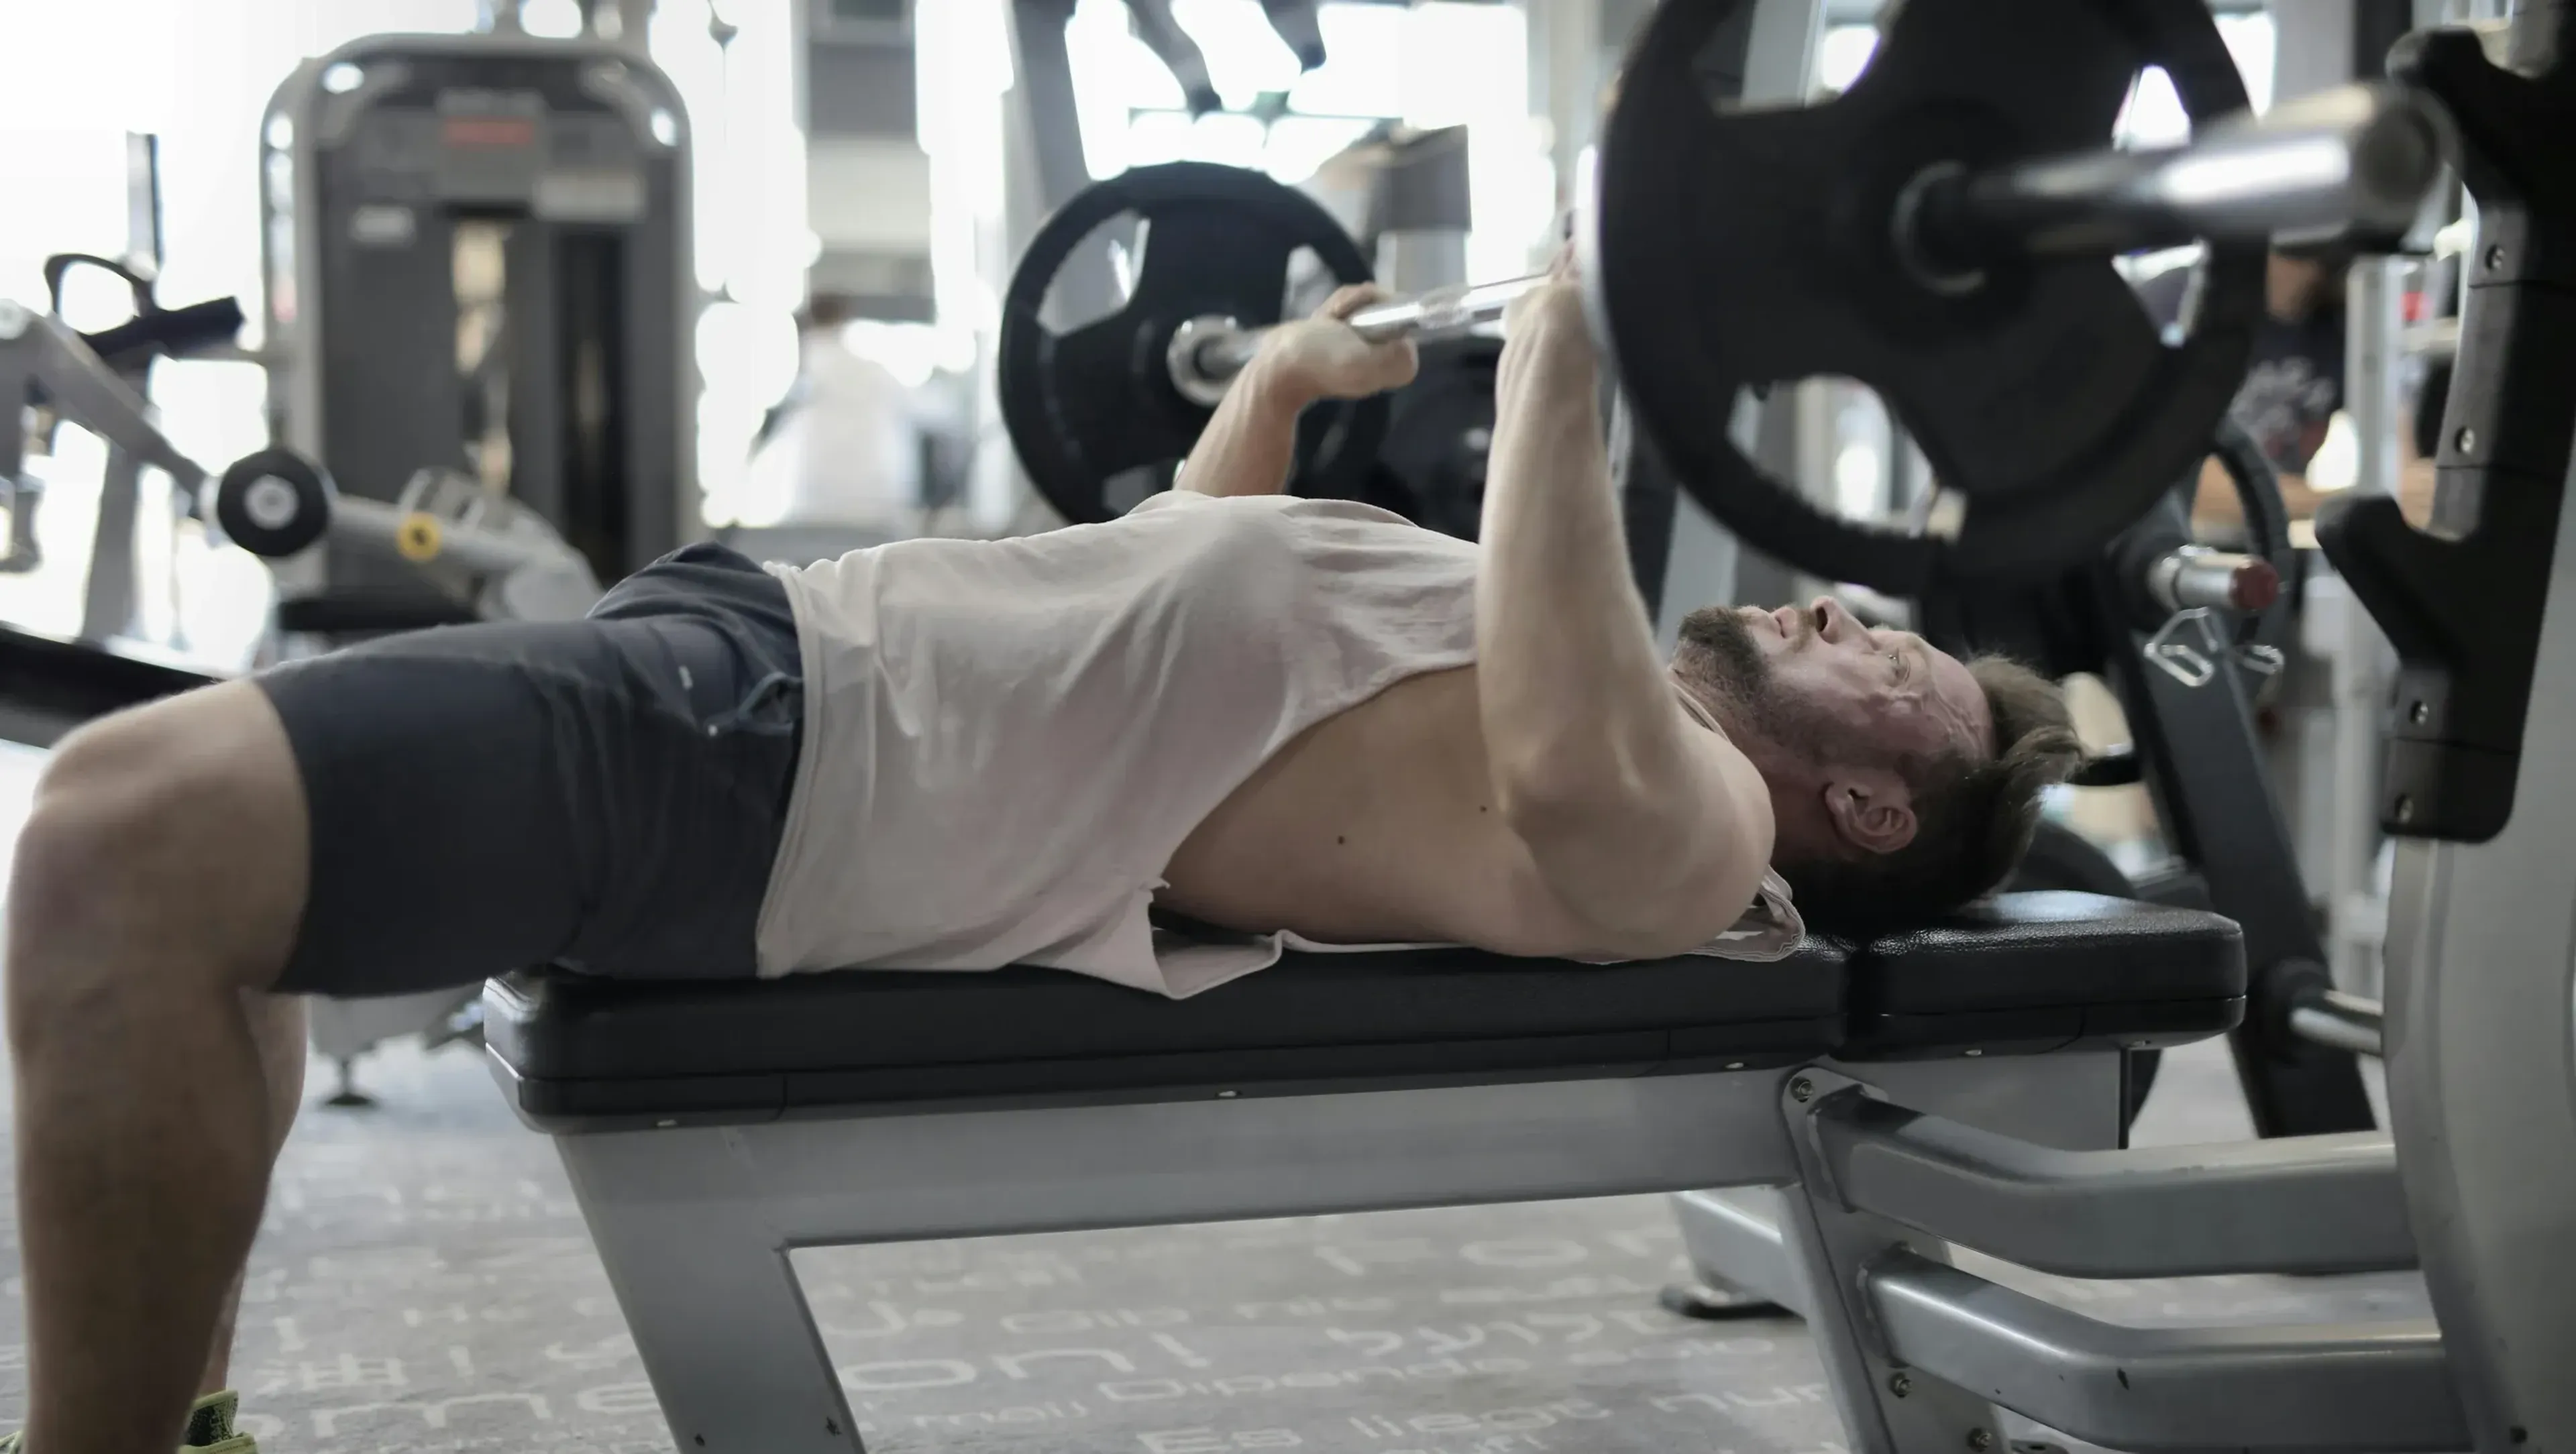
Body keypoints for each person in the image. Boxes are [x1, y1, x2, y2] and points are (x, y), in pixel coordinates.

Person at [2, 260, 2079, 1454]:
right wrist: (1277, 381)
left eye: (1895, 668)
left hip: (796, 776)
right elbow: (1182, 575)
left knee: (117, 843)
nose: (1840, 617)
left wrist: (1565, 364)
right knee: (222, 892)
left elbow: (1558, 767)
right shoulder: (1584, 656)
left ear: (1873, 814)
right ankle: (179, 1423)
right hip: (772, 671)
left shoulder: (1698, 836)